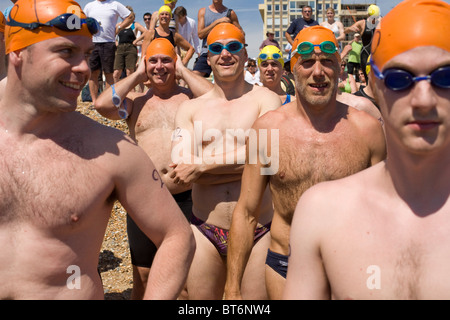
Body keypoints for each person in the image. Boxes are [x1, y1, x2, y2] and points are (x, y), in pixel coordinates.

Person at [0, 0, 195, 300]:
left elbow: (177, 235)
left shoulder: (110, 150)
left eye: (87, 54)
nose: (82, 68)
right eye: (66, 51)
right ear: (17, 52)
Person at [284, 0, 450, 300]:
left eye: (445, 77)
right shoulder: (321, 213)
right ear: (374, 82)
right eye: (400, 79)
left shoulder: (365, 131)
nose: (424, 100)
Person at [225, 25, 386, 300]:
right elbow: (247, 211)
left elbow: (384, 211)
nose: (318, 72)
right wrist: (232, 287)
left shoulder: (367, 131)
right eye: (308, 62)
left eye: (327, 62)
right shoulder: (268, 131)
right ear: (292, 68)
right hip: (287, 262)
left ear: (339, 67)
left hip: (352, 265)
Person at [170, 23, 281, 300]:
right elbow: (181, 170)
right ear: (208, 58)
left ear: (245, 55)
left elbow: (269, 160)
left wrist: (202, 166)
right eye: (217, 48)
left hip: (259, 228)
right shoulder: (190, 108)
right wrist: (247, 161)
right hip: (205, 228)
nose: (225, 54)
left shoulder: (266, 99)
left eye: (233, 47)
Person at [95, 38, 212, 299]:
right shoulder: (134, 102)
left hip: (186, 199)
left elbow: (218, 99)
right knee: (143, 278)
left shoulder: (191, 99)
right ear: (145, 64)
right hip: (146, 200)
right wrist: (136, 74)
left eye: (166, 60)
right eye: (153, 61)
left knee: (182, 282)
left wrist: (183, 70)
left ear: (176, 62)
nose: (159, 67)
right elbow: (102, 105)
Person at [83, 0, 134, 104]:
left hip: (108, 43)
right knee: (93, 73)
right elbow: (82, 22)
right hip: (93, 43)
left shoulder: (114, 4)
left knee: (109, 73)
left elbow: (130, 17)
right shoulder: (89, 6)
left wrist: (119, 27)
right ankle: (94, 101)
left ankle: (106, 101)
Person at [193, 0, 243, 77]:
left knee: (227, 79)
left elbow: (241, 34)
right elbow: (200, 34)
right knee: (194, 77)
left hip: (226, 52)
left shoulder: (230, 13)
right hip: (208, 51)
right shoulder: (203, 11)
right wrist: (217, 22)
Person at [344, 4, 381, 83]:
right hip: (365, 54)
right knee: (367, 78)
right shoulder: (362, 23)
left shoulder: (380, 22)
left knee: (378, 78)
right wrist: (350, 28)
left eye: (375, 17)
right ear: (368, 15)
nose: (374, 19)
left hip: (377, 53)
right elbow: (345, 31)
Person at [113, 6, 147, 84]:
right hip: (120, 49)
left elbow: (146, 32)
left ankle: (131, 92)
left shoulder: (135, 25)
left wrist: (137, 40)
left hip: (131, 48)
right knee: (116, 73)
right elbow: (111, 35)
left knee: (129, 72)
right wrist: (115, 42)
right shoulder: (119, 25)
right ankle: (116, 91)